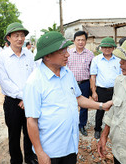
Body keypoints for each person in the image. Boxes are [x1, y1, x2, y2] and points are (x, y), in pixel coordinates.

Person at [23, 31, 113, 164]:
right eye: (62, 51)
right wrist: (40, 152)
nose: (67, 54)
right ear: (47, 56)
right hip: (51, 149)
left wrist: (101, 105)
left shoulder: (67, 73)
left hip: (70, 145)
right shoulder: (34, 82)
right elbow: (31, 121)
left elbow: (78, 98)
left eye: (67, 49)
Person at [0, 22, 37, 164]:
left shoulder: (29, 55)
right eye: (16, 35)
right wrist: (23, 96)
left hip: (29, 100)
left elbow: (34, 76)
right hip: (13, 102)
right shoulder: (1, 57)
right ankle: (16, 160)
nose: (20, 38)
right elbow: (4, 82)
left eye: (22, 36)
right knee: (13, 134)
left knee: (30, 131)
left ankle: (30, 158)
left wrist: (27, 98)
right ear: (9, 38)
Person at [90, 37, 121, 139]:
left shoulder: (118, 60)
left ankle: (115, 130)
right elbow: (93, 76)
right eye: (104, 47)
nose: (106, 49)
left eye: (109, 47)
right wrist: (94, 92)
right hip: (101, 90)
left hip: (115, 89)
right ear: (101, 48)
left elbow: (122, 77)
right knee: (100, 110)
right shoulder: (96, 60)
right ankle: (97, 129)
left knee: (117, 110)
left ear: (113, 48)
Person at [67, 31, 94, 136]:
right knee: (70, 104)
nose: (80, 42)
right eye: (78, 40)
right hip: (71, 84)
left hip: (84, 83)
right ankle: (70, 124)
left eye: (83, 40)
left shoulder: (90, 54)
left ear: (86, 41)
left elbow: (92, 72)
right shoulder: (68, 53)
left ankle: (82, 125)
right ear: (74, 41)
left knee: (84, 106)